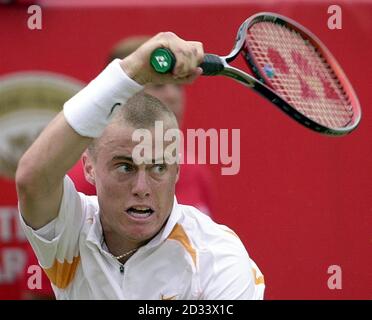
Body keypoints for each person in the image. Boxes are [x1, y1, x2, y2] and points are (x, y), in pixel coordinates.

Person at [16, 32, 264, 299]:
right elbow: (33, 179)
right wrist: (131, 69)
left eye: (158, 168)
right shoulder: (72, 228)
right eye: (125, 167)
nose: (142, 188)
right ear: (89, 168)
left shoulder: (219, 258)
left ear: (176, 169)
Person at [68, 36, 214, 215]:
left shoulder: (193, 171)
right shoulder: (80, 177)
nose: (173, 96)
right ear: (119, 93)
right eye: (158, 86)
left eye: (178, 86)